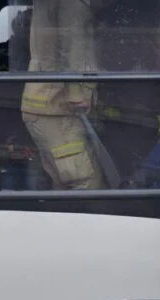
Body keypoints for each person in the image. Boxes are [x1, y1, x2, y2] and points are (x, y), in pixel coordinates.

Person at [20, 0, 104, 190]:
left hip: (44, 104)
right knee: (85, 181)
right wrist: (77, 93)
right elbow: (72, 46)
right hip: (58, 107)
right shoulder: (72, 3)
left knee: (63, 182)